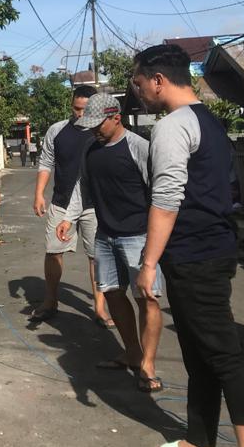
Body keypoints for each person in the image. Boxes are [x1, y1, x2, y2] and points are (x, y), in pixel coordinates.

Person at [132, 45, 244, 447]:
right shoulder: (208, 119)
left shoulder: (173, 126)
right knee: (197, 352)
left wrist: (148, 264)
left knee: (224, 354)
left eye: (137, 83)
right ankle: (199, 442)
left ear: (157, 80)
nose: (137, 92)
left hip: (196, 255)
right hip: (206, 250)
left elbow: (167, 197)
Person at [57, 94, 164, 392]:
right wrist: (69, 217)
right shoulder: (91, 148)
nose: (94, 131)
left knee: (148, 299)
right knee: (113, 294)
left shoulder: (140, 148)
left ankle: (148, 364)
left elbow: (160, 194)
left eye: (98, 125)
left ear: (116, 117)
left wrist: (156, 245)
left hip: (139, 237)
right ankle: (132, 352)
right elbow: (82, 185)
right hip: (105, 235)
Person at [30, 84, 110, 326]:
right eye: (76, 108)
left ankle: (99, 307)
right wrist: (39, 194)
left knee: (96, 257)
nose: (80, 114)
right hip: (62, 202)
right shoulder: (57, 131)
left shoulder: (101, 131)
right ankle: (50, 301)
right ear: (71, 105)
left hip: (94, 205)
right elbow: (46, 163)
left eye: (85, 110)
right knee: (53, 252)